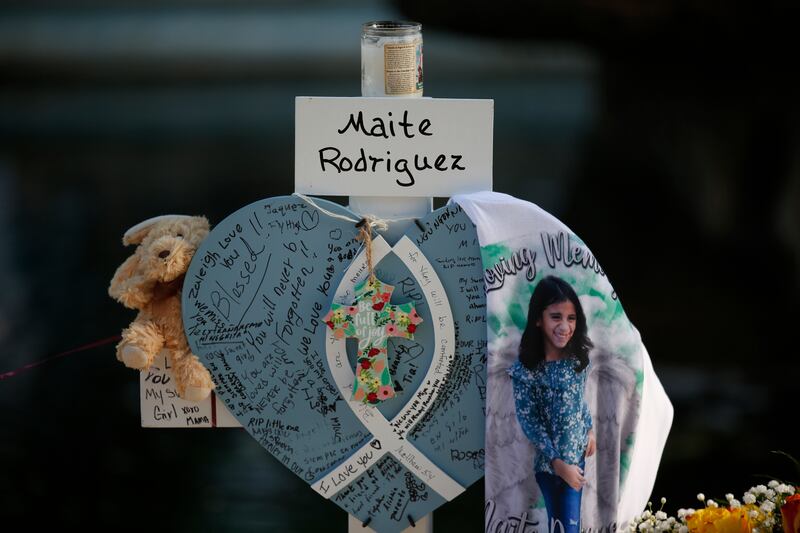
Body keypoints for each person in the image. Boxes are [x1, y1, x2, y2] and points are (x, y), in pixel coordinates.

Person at [508, 275, 596, 533]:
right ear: (538, 319)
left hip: (576, 460)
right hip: (550, 466)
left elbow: (580, 402)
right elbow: (530, 422)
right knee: (561, 526)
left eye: (571, 319)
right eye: (556, 317)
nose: (565, 327)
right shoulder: (527, 371)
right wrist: (558, 463)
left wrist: (589, 429)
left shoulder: (577, 363)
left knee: (570, 526)